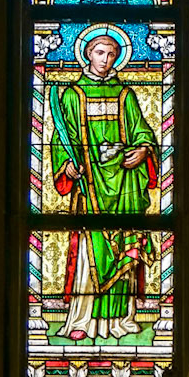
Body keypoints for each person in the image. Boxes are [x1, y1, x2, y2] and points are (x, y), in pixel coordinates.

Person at [49, 28, 158, 341]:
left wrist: (142, 150)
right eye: (100, 52)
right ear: (88, 54)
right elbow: (62, 138)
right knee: (89, 253)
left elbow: (143, 132)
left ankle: (120, 321)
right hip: (91, 186)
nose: (105, 59)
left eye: (111, 54)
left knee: (126, 250)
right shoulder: (72, 94)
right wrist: (66, 165)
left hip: (124, 184)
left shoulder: (125, 95)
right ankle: (82, 320)